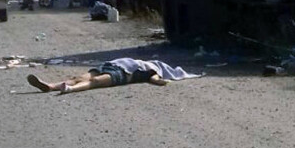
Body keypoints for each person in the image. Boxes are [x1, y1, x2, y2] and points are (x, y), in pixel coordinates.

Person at [27, 58, 202, 94]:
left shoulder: (152, 70)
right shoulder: (146, 63)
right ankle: (50, 85)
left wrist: (163, 81)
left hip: (121, 73)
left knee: (93, 81)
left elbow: (156, 80)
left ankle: (68, 89)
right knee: (80, 77)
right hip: (112, 66)